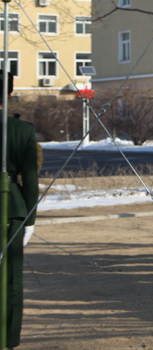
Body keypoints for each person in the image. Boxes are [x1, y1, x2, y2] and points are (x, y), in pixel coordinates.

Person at [2, 73, 38, 348]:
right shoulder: (23, 130)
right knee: (11, 279)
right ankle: (8, 337)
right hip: (12, 207)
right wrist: (30, 219)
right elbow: (30, 178)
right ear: (9, 94)